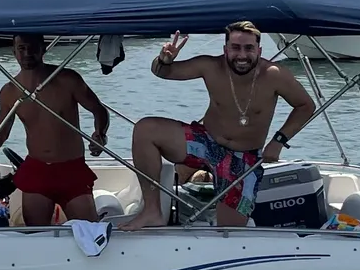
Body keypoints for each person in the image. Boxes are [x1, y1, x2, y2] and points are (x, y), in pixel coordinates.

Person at [120, 22, 316, 230]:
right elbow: (162, 72)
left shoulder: (274, 74)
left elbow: (306, 106)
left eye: (249, 48)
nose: (242, 55)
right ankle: (152, 211)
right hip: (205, 142)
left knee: (229, 232)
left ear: (259, 50)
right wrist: (163, 60)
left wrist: (278, 141)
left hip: (243, 157)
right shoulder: (211, 66)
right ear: (225, 49)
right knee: (145, 129)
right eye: (235, 47)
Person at [0, 35, 112, 224]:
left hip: (71, 167)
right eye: (22, 48)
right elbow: (1, 133)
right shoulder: (10, 92)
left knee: (90, 230)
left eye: (33, 48)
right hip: (37, 168)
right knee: (35, 234)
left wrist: (100, 134)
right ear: (14, 52)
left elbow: (99, 110)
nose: (27, 53)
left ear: (43, 49)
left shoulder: (68, 79)